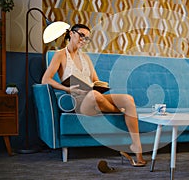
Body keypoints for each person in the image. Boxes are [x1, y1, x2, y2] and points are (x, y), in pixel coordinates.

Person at [41, 24, 146, 166]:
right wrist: (68, 89)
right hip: (79, 101)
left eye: (87, 38)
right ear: (71, 34)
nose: (84, 40)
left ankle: (137, 148)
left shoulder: (85, 58)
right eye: (81, 35)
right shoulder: (60, 55)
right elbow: (45, 79)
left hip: (94, 95)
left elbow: (95, 80)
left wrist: (101, 85)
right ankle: (120, 112)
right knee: (94, 95)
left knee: (128, 99)